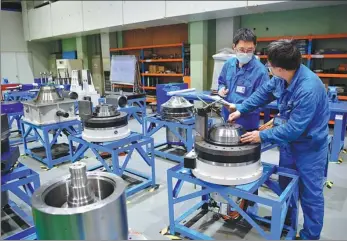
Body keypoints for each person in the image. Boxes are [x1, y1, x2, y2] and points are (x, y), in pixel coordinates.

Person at [228, 39, 329, 240]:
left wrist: (260, 135)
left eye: (270, 66)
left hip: (310, 147)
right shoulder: (283, 77)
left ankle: (310, 235)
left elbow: (293, 129)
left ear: (280, 68)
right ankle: (288, 224)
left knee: (310, 194)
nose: (269, 68)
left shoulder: (308, 89)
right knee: (287, 188)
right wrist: (241, 109)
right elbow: (263, 93)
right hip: (289, 145)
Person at [218, 28, 269, 131]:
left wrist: (238, 107)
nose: (245, 53)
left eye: (249, 50)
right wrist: (221, 89)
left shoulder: (261, 72)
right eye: (241, 49)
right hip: (226, 117)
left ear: (254, 48)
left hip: (247, 123)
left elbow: (262, 102)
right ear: (234, 47)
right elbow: (221, 81)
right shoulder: (228, 64)